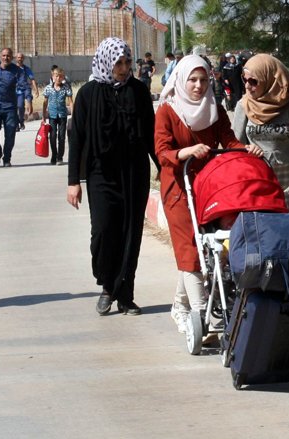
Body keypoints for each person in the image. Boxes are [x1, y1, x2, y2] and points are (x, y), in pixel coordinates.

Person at [154, 54, 262, 333]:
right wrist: (185, 152)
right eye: (192, 79)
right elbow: (162, 151)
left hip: (209, 187)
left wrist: (246, 149)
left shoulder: (213, 109)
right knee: (189, 248)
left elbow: (228, 140)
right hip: (178, 188)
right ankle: (202, 314)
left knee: (206, 248)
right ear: (181, 80)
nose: (198, 86)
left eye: (203, 80)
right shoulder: (168, 111)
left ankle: (179, 305)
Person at [67, 37, 157, 317]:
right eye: (119, 62)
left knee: (131, 233)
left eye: (128, 62)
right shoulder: (88, 94)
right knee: (104, 233)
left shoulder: (139, 92)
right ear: (107, 61)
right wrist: (73, 182)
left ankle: (125, 295)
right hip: (100, 175)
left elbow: (151, 135)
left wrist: (165, 170)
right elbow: (77, 139)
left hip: (133, 174)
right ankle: (107, 285)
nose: (124, 67)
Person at [233, 53, 289, 212]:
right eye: (244, 80)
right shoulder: (243, 105)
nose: (247, 86)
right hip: (256, 178)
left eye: (253, 81)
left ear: (269, 80)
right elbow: (235, 144)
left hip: (287, 181)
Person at [42, 67, 73, 165]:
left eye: (60, 76)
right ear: (53, 76)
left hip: (62, 115)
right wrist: (43, 116)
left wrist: (73, 115)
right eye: (56, 76)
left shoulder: (66, 88)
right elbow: (45, 102)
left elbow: (70, 102)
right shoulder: (48, 88)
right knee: (52, 136)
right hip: (52, 116)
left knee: (62, 137)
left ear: (63, 77)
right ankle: (54, 155)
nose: (58, 78)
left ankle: (60, 157)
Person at [14, 52, 39, 130]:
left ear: (23, 59)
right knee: (20, 106)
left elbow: (32, 79)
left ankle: (30, 105)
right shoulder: (12, 68)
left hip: (25, 88)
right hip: (17, 90)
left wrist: (36, 90)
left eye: (21, 57)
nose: (20, 59)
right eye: (18, 57)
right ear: (16, 58)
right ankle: (19, 122)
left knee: (28, 97)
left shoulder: (26, 68)